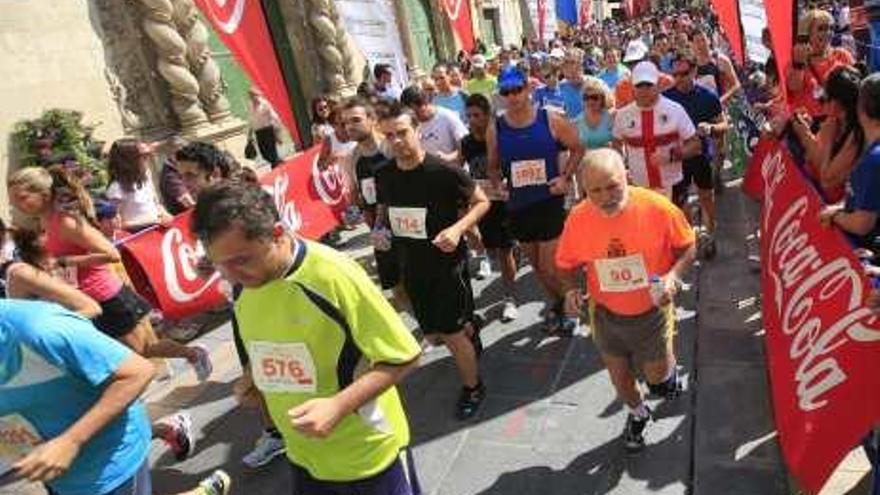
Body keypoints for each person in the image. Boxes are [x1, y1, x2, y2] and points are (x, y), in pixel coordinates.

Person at [191, 180, 424, 493]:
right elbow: (273, 350)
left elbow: (404, 356)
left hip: (366, 455)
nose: (232, 276)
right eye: (220, 264)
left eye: (241, 260)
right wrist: (253, 380)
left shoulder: (332, 274)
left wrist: (338, 406)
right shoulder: (242, 287)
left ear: (276, 234)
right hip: (303, 456)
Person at [7, 166, 209, 460]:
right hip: (88, 302)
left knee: (140, 356)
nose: (16, 204)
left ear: (41, 194)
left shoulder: (65, 221)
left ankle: (191, 358)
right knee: (125, 365)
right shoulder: (47, 221)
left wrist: (65, 261)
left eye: (22, 197)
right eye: (12, 199)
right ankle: (158, 424)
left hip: (107, 296)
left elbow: (111, 253)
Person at [556, 149, 696, 453]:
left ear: (627, 177)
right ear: (583, 190)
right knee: (620, 379)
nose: (606, 197)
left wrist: (673, 275)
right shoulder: (578, 218)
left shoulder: (657, 207)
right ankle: (637, 413)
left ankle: (667, 374)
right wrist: (569, 290)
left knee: (656, 378)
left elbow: (687, 246)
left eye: (612, 186)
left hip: (652, 310)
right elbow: (565, 264)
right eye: (595, 190)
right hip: (606, 314)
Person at [375, 103, 490, 419]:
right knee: (436, 329)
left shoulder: (443, 171)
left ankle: (473, 386)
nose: (396, 141)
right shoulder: (383, 173)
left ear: (417, 131)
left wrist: (457, 229)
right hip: (410, 266)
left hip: (445, 266)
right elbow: (385, 207)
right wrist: (380, 228)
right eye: (389, 136)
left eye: (402, 133)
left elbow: (481, 202)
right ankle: (470, 328)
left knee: (451, 334)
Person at [0, 299, 155, 495]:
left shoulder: (43, 328)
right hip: (53, 472)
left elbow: (138, 372)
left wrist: (71, 441)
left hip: (110, 464)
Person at [487, 67, 585, 334]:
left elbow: (578, 147)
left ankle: (572, 309)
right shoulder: (496, 127)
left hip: (549, 201)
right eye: (506, 92)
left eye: (517, 90)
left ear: (528, 89)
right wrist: (498, 185)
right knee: (538, 268)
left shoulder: (549, 119)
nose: (513, 96)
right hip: (519, 205)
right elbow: (493, 166)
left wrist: (565, 178)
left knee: (552, 265)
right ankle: (557, 305)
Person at [340, 97, 408, 312]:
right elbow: (353, 192)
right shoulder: (351, 157)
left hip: (405, 223)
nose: (350, 126)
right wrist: (352, 211)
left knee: (418, 278)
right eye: (345, 123)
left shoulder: (390, 147)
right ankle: (425, 328)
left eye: (356, 120)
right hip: (380, 232)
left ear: (372, 120)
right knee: (395, 284)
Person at [663, 49, 729, 258]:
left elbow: (724, 125)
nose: (679, 79)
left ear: (694, 72)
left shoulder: (707, 96)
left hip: (701, 157)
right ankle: (690, 240)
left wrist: (710, 129)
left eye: (684, 73)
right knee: (681, 202)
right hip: (678, 159)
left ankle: (710, 235)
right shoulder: (666, 98)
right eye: (675, 75)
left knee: (706, 197)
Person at [460, 93, 519, 322]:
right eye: (469, 116)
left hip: (504, 200)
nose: (472, 120)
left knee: (504, 252)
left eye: (476, 115)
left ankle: (510, 298)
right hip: (482, 204)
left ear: (488, 115)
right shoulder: (466, 142)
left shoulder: (501, 137)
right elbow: (459, 165)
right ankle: (514, 252)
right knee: (492, 249)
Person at [612, 61, 701, 199]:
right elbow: (616, 143)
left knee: (678, 219)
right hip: (639, 187)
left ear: (658, 85)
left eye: (649, 85)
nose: (644, 90)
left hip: (672, 183)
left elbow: (695, 145)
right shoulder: (623, 115)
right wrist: (622, 169)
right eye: (639, 85)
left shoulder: (675, 109)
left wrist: (672, 155)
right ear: (632, 87)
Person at [819, 73, 880, 252]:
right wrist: (840, 207)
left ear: (861, 109)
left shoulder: (874, 159)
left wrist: (835, 215)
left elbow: (862, 223)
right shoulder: (871, 150)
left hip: (866, 252)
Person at [791, 65, 865, 203]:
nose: (822, 100)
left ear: (837, 103)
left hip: (830, 207)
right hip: (811, 191)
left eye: (826, 97)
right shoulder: (834, 121)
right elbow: (814, 158)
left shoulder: (856, 135)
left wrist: (813, 137)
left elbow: (826, 179)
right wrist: (808, 131)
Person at [105, 139, 173, 232]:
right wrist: (152, 222)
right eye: (144, 156)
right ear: (128, 160)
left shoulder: (146, 176)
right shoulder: (116, 189)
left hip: (159, 234)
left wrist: (164, 214)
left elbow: (156, 203)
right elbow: (117, 225)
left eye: (149, 154)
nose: (149, 158)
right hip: (138, 239)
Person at [400, 85, 469, 163]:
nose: (413, 116)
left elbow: (466, 147)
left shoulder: (447, 116)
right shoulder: (411, 124)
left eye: (414, 112)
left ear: (424, 104)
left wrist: (449, 157)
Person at [574, 77, 616, 151]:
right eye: (586, 97)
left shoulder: (612, 117)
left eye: (594, 97)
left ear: (603, 99)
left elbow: (619, 145)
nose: (590, 101)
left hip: (609, 160)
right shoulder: (577, 122)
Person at [247, 87, 283, 167]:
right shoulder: (250, 106)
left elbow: (275, 118)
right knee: (264, 154)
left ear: (259, 95)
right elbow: (251, 120)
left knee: (272, 153)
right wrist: (249, 134)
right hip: (258, 132)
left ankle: (276, 167)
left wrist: (278, 133)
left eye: (255, 95)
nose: (253, 97)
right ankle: (278, 162)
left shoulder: (265, 104)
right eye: (251, 96)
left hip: (268, 130)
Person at [559, 48, 588, 120]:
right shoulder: (560, 86)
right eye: (566, 62)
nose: (570, 66)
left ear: (581, 64)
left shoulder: (595, 85)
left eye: (573, 62)